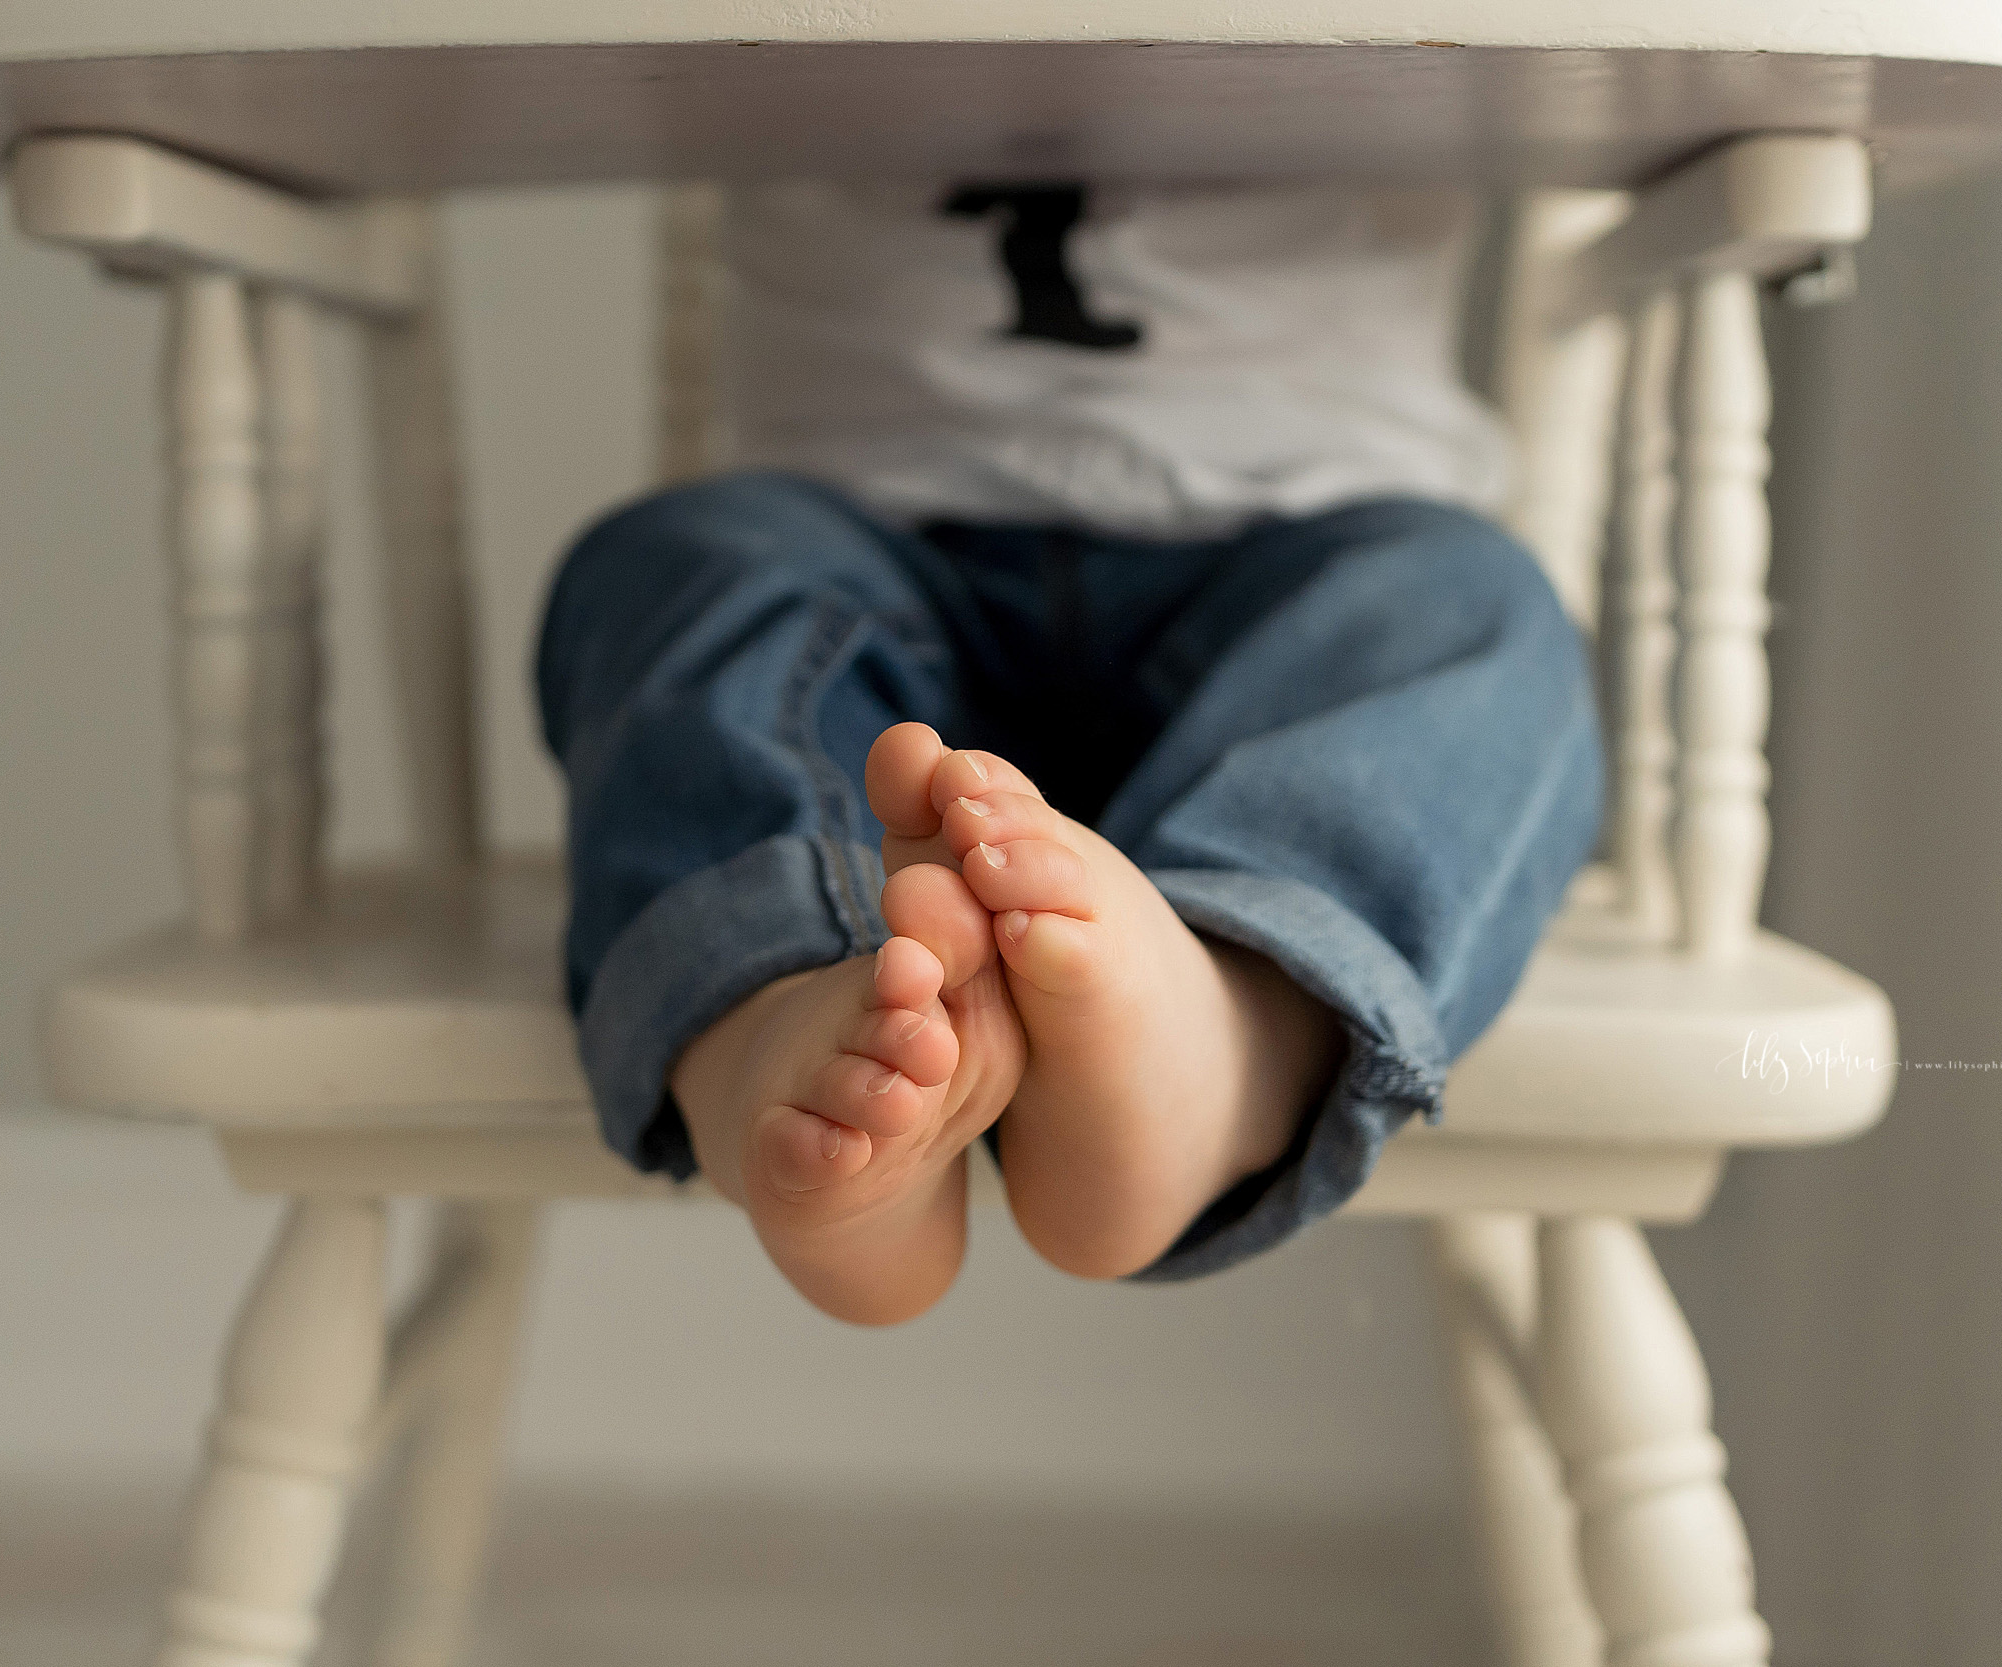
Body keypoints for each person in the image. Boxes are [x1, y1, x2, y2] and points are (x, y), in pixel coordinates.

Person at [535, 181, 1602, 1324]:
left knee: (1467, 600)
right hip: (867, 546)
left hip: (1308, 560)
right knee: (681, 561)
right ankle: (777, 1013)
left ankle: (1221, 1033)